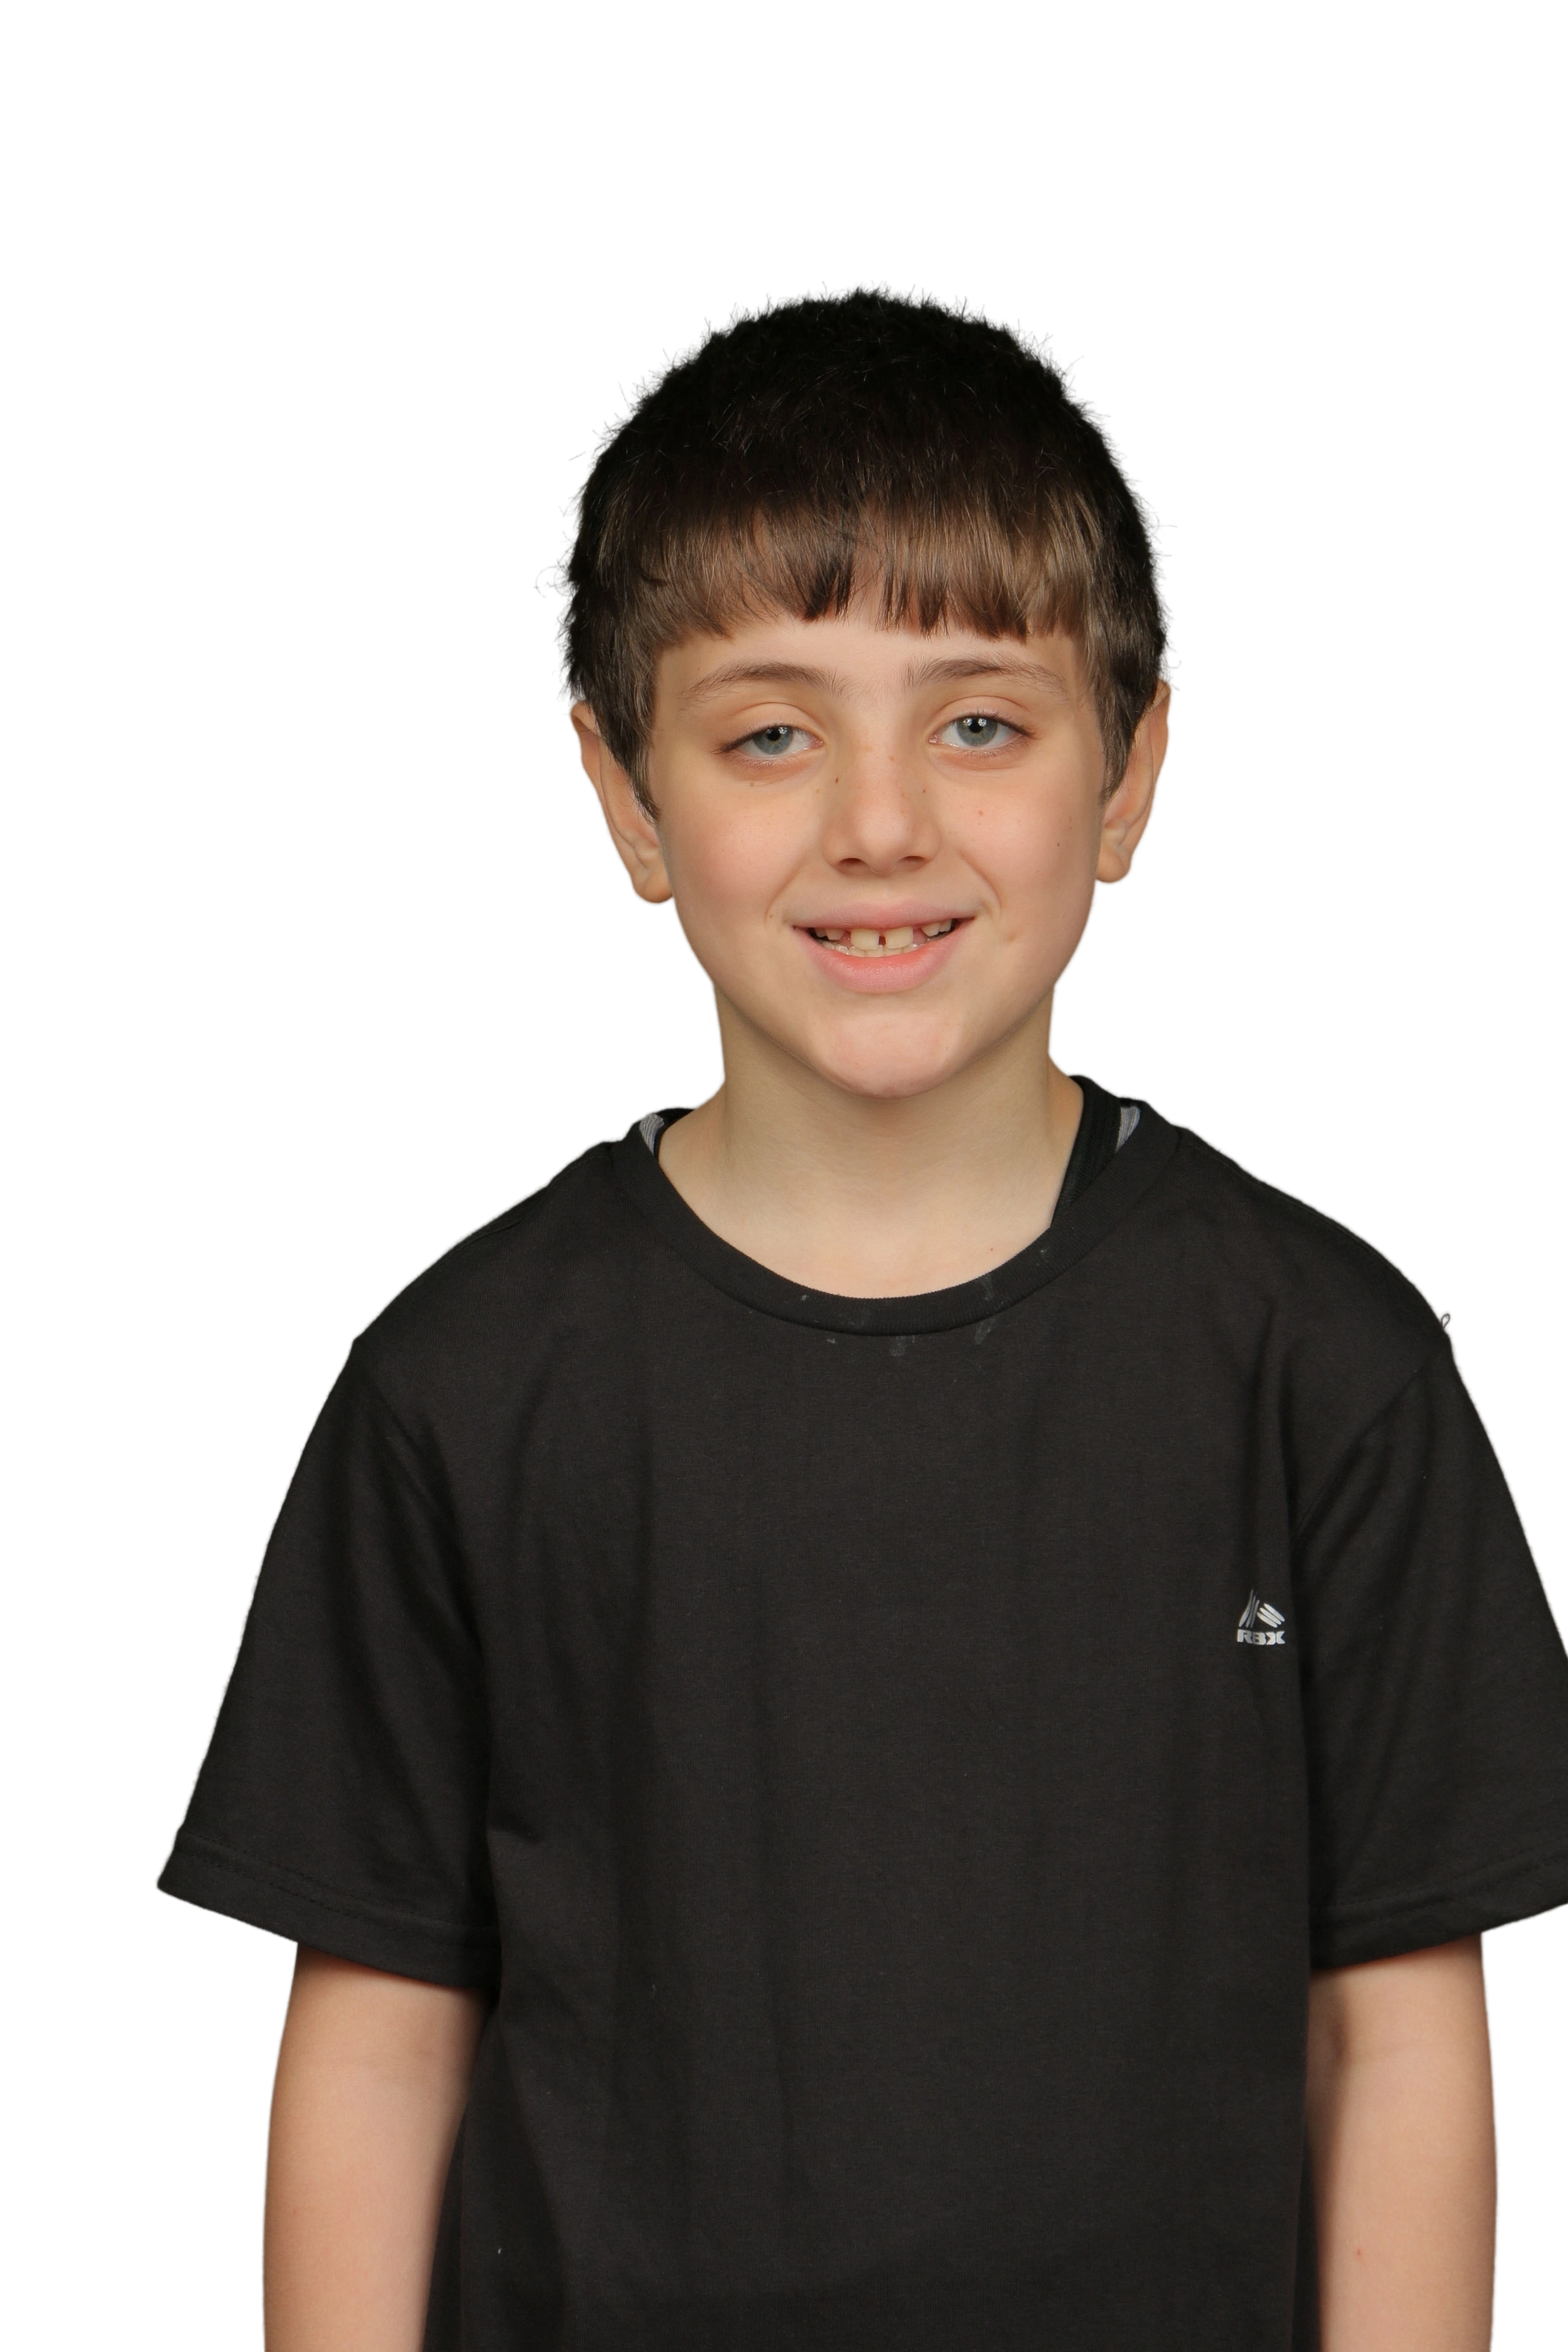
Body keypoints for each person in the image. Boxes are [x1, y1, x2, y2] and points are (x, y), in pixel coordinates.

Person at [153, 279, 1568, 2352]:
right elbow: (379, 2046)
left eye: (979, 721)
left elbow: (1402, 2031)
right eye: (770, 734)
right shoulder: (457, 1390)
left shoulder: (1329, 1367)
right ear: (629, 797)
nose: (881, 824)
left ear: (1131, 770)